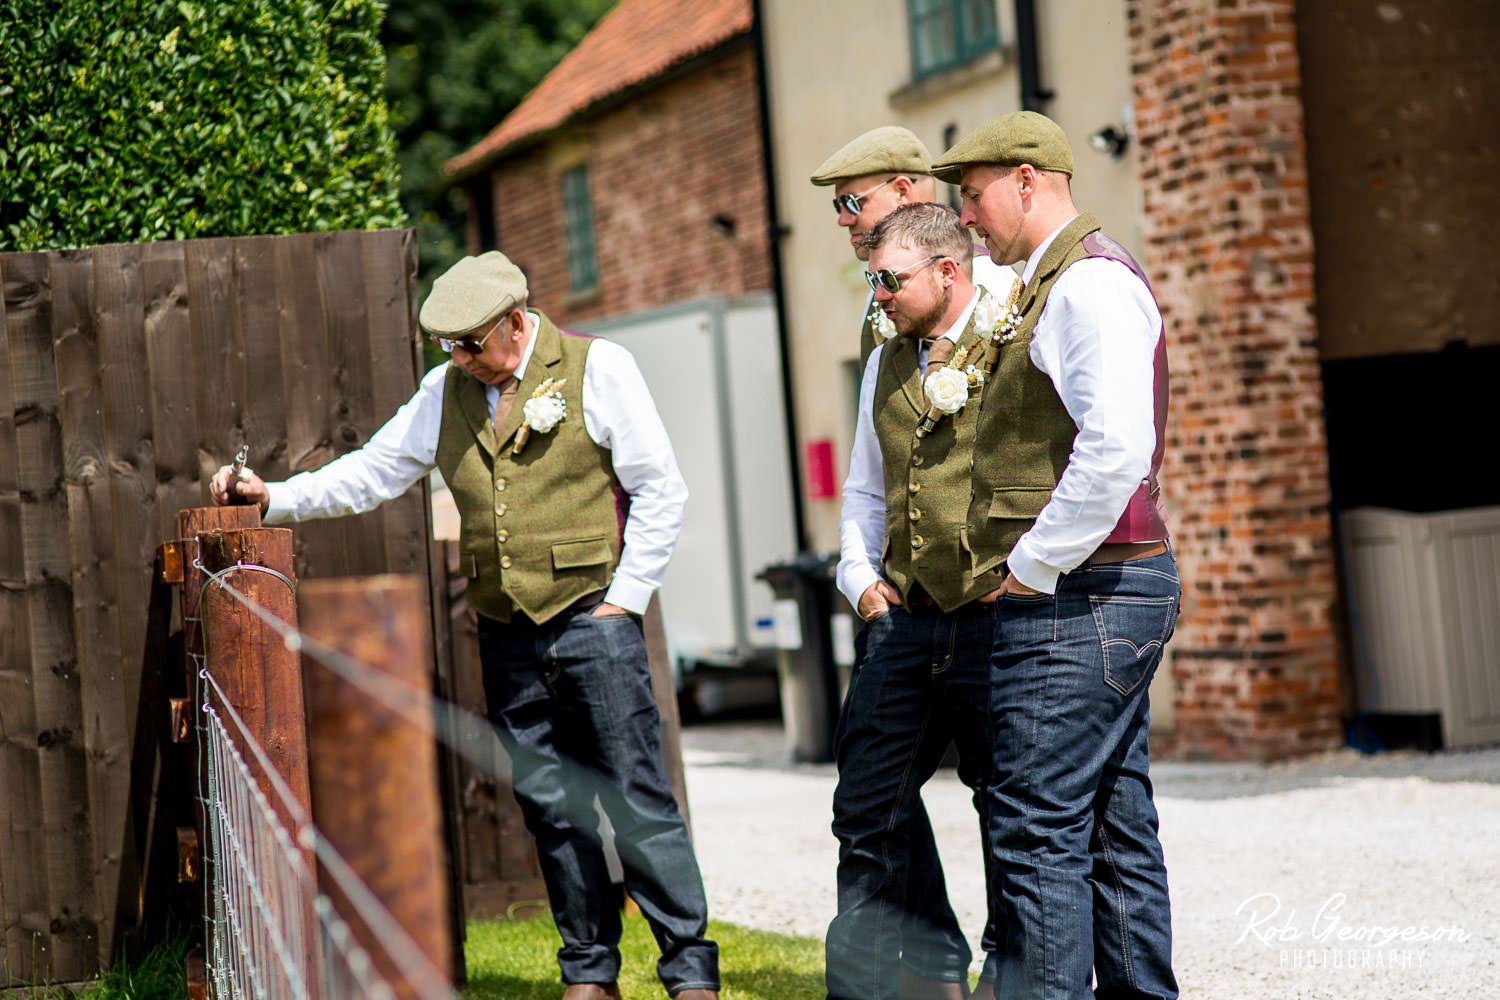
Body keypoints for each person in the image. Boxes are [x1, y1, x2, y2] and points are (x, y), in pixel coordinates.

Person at [209, 251, 719, 1000]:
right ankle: (589, 973)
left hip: (594, 620)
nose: (460, 359)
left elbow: (660, 490)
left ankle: (689, 971)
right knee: (549, 806)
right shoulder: (443, 391)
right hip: (507, 633)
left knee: (637, 797)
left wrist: (626, 600)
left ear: (516, 322)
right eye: (448, 346)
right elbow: (372, 473)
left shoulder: (598, 367)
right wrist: (272, 498)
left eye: (471, 343)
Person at [931, 111, 1179, 999]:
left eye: (975, 194)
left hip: (1085, 593)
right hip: (1101, 589)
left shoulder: (1087, 287)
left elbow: (1115, 446)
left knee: (1035, 830)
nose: (967, 216)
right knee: (1111, 829)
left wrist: (1031, 567)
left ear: (1029, 180)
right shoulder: (1051, 283)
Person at [813, 129, 1015, 1000]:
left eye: (851, 203)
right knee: (869, 803)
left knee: (1011, 812)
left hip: (1003, 608)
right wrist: (859, 580)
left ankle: (1017, 974)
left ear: (901, 189)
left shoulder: (1003, 300)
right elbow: (866, 478)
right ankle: (909, 974)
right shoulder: (884, 326)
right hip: (902, 611)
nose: (845, 223)